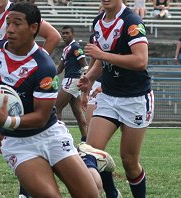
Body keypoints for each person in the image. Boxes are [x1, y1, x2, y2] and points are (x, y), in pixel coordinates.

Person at [0, 2, 115, 197]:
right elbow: (5, 96)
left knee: (91, 195)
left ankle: (90, 160)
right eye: (8, 22)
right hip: (19, 143)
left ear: (33, 28)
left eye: (17, 24)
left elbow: (40, 116)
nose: (10, 29)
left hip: (50, 134)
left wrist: (5, 122)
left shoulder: (44, 66)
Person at [0, 0, 61, 197]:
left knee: (26, 135)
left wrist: (33, 65)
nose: (11, 28)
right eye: (8, 25)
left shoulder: (18, 13)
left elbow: (53, 36)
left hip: (23, 82)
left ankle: (25, 193)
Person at [78, 0, 154, 197]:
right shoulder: (98, 22)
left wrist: (102, 54)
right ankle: (112, 194)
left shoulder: (131, 21)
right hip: (109, 96)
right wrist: (89, 78)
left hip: (135, 99)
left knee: (129, 161)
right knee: (91, 152)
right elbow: (101, 62)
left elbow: (140, 61)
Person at [55, 25, 88, 142]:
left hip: (72, 80)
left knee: (56, 107)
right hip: (69, 80)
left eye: (67, 33)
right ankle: (86, 140)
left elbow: (84, 65)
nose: (64, 35)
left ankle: (58, 137)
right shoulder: (66, 48)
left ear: (73, 34)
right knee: (78, 113)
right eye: (63, 33)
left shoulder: (75, 47)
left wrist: (84, 77)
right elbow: (60, 68)